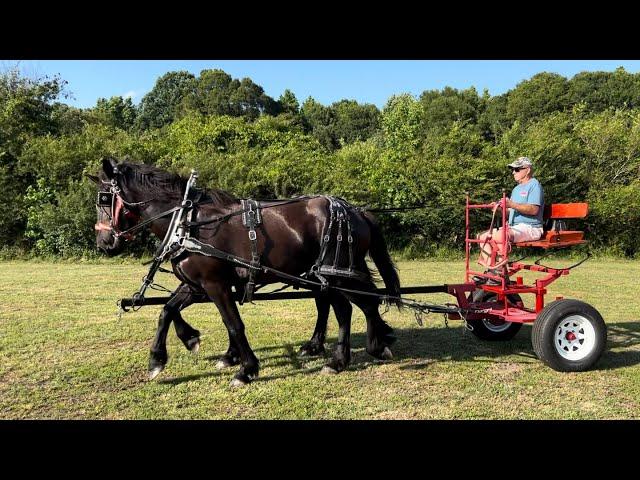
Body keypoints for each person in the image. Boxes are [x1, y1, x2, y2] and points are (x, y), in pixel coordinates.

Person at [476, 156, 544, 275]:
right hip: (515, 227)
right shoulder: (516, 189)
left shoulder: (534, 185)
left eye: (517, 169)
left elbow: (534, 210)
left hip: (531, 227)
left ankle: (500, 271)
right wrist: (499, 209)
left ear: (527, 170)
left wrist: (511, 204)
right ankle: (492, 271)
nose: (513, 172)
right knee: (481, 237)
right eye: (512, 169)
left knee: (500, 235)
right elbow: (511, 211)